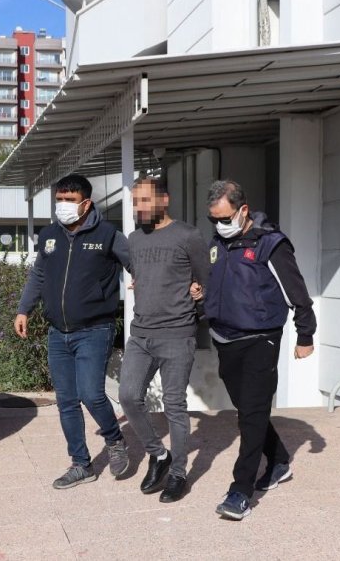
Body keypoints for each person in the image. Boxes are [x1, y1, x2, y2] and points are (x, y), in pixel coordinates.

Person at [197, 180, 316, 520]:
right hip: (224, 339)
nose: (219, 225)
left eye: (225, 217)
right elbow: (214, 284)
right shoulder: (218, 243)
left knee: (250, 415)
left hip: (260, 340)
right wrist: (199, 297)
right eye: (213, 219)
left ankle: (240, 492)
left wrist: (305, 336)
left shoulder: (271, 245)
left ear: (243, 210)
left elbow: (298, 294)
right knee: (248, 410)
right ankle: (279, 462)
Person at [14, 174, 131, 489]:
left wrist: (141, 279)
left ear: (86, 203)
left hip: (95, 329)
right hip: (58, 332)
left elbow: (136, 262)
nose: (62, 206)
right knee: (66, 400)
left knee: (91, 394)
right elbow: (39, 273)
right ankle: (81, 464)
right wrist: (24, 308)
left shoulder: (108, 235)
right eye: (59, 200)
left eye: (69, 200)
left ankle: (115, 440)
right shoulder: (50, 234)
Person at [118, 176, 210, 503]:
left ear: (163, 200)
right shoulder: (134, 239)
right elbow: (141, 274)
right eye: (135, 203)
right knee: (128, 396)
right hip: (141, 334)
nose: (138, 208)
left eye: (144, 201)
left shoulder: (188, 236)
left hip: (177, 334)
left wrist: (198, 291)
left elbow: (205, 277)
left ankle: (178, 473)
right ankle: (159, 455)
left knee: (174, 406)